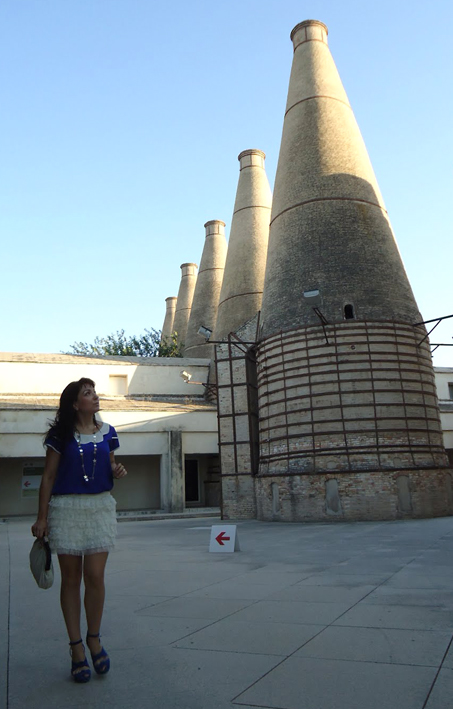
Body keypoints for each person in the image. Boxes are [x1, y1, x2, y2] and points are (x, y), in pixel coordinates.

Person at [31, 377, 127, 683]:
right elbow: (47, 477)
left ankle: (94, 638)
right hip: (67, 510)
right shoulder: (60, 436)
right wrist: (41, 518)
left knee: (95, 577)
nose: (95, 397)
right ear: (75, 403)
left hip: (100, 508)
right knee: (71, 580)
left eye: (95, 392)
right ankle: (76, 648)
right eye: (88, 393)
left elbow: (111, 466)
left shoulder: (109, 432)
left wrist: (117, 470)